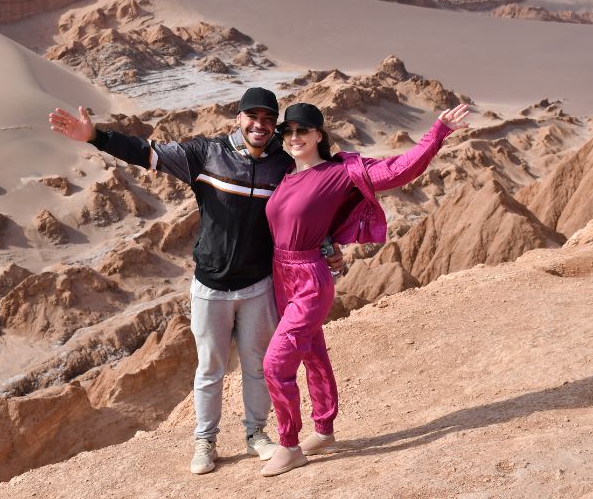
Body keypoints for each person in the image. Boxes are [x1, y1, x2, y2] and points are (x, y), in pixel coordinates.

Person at [47, 88, 343, 475]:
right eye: (252, 117)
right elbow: (147, 152)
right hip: (211, 287)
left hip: (258, 285)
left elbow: (309, 205)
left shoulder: (283, 165)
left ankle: (256, 434)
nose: (260, 125)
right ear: (238, 118)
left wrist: (327, 246)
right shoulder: (206, 154)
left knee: (257, 365)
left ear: (276, 125)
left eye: (268, 119)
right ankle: (205, 441)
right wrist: (97, 138)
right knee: (210, 368)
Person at [259, 101, 470, 476]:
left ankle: (289, 445)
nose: (293, 137)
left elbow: (400, 170)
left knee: (276, 364)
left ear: (319, 135)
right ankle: (323, 431)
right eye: (287, 132)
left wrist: (437, 131)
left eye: (301, 131)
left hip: (310, 278)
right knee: (312, 354)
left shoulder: (340, 172)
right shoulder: (287, 175)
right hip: (281, 275)